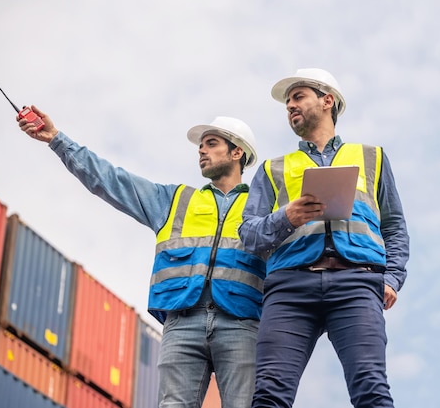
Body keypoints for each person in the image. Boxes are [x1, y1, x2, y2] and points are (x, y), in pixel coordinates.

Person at [17, 107, 266, 408]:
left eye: (211, 143)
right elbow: (111, 180)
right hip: (181, 323)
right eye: (201, 145)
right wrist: (57, 140)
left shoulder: (263, 208)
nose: (201, 150)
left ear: (237, 151)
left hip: (241, 322)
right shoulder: (174, 200)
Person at [238, 68, 410, 408]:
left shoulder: (371, 157)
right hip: (289, 289)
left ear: (327, 101)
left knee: (370, 388)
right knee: (269, 394)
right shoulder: (273, 168)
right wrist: (286, 217)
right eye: (287, 103)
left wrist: (392, 277)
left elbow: (394, 226)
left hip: (357, 283)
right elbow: (249, 235)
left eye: (298, 97)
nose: (290, 106)